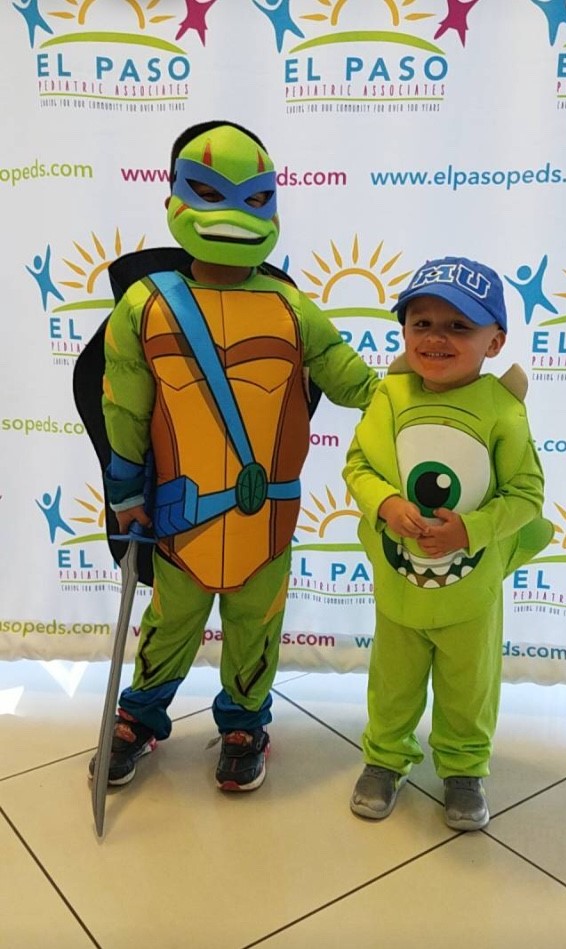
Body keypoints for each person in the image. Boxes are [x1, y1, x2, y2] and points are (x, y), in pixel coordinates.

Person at [90, 121, 377, 792]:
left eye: (254, 198)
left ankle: (245, 723)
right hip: (180, 517)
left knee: (255, 630)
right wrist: (124, 492)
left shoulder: (292, 307)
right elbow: (124, 407)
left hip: (264, 521)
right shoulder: (145, 305)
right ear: (175, 200)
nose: (233, 213)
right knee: (169, 625)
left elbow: (353, 381)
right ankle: (140, 716)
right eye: (211, 192)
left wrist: (431, 389)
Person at [343, 256, 552, 830]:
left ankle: (464, 768)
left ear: (495, 341)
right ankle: (385, 759)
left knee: (469, 686)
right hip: (400, 585)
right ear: (404, 332)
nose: (436, 338)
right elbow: (359, 465)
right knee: (393, 682)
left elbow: (527, 494)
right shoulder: (389, 397)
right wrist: (386, 503)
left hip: (471, 591)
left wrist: (471, 529)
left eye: (459, 326)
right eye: (422, 323)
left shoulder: (502, 409)